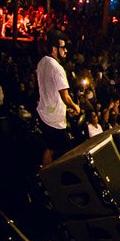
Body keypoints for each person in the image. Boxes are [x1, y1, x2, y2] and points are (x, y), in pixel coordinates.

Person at [36, 35, 81, 167]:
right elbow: (65, 96)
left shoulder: (42, 62)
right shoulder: (57, 68)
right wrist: (75, 106)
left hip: (44, 113)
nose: (66, 50)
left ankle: (45, 175)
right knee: (69, 152)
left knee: (50, 148)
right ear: (54, 49)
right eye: (63, 47)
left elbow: (50, 90)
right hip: (54, 120)